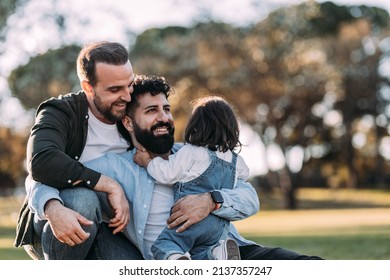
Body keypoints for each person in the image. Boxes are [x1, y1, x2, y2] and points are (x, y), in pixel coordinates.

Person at [85, 75, 323, 260]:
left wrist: (211, 200)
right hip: (178, 258)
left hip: (232, 251)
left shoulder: (196, 153)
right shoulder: (115, 166)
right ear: (128, 122)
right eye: (151, 110)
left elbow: (250, 199)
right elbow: (54, 177)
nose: (164, 118)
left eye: (166, 109)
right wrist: (54, 206)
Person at [14, 41, 140, 260]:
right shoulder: (60, 111)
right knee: (83, 200)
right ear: (88, 87)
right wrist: (108, 184)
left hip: (111, 227)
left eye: (129, 85)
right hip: (56, 218)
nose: (127, 96)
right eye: (114, 89)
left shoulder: (135, 111)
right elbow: (42, 162)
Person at [133, 95, 250, 260]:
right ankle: (219, 252)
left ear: (196, 125)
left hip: (190, 222)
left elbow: (166, 174)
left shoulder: (191, 152)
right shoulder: (237, 162)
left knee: (165, 244)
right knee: (202, 253)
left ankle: (177, 259)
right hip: (218, 226)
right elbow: (244, 177)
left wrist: (147, 162)